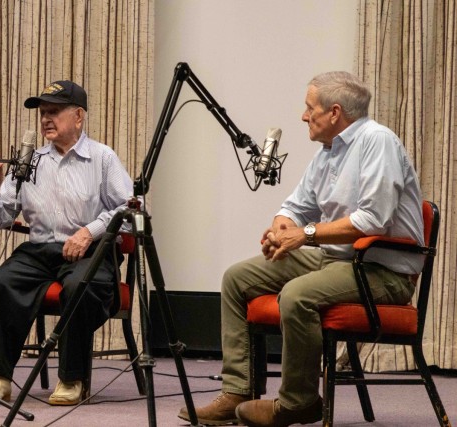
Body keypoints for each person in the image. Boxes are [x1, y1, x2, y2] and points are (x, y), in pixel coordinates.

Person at [179, 71, 424, 426]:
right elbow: (296, 206)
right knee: (237, 278)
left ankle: (298, 402)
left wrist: (304, 234)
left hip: (383, 272)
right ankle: (239, 390)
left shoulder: (378, 142)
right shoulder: (328, 152)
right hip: (336, 261)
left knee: (296, 295)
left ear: (335, 112)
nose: (303, 115)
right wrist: (282, 226)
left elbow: (373, 221)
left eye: (310, 108)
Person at [0, 80, 133, 406]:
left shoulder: (102, 158)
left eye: (54, 112)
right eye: (42, 113)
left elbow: (130, 211)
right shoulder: (28, 162)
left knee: (81, 286)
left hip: (91, 250)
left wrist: (90, 230)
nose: (46, 119)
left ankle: (73, 379)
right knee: (1, 282)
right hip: (39, 250)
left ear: (78, 116)